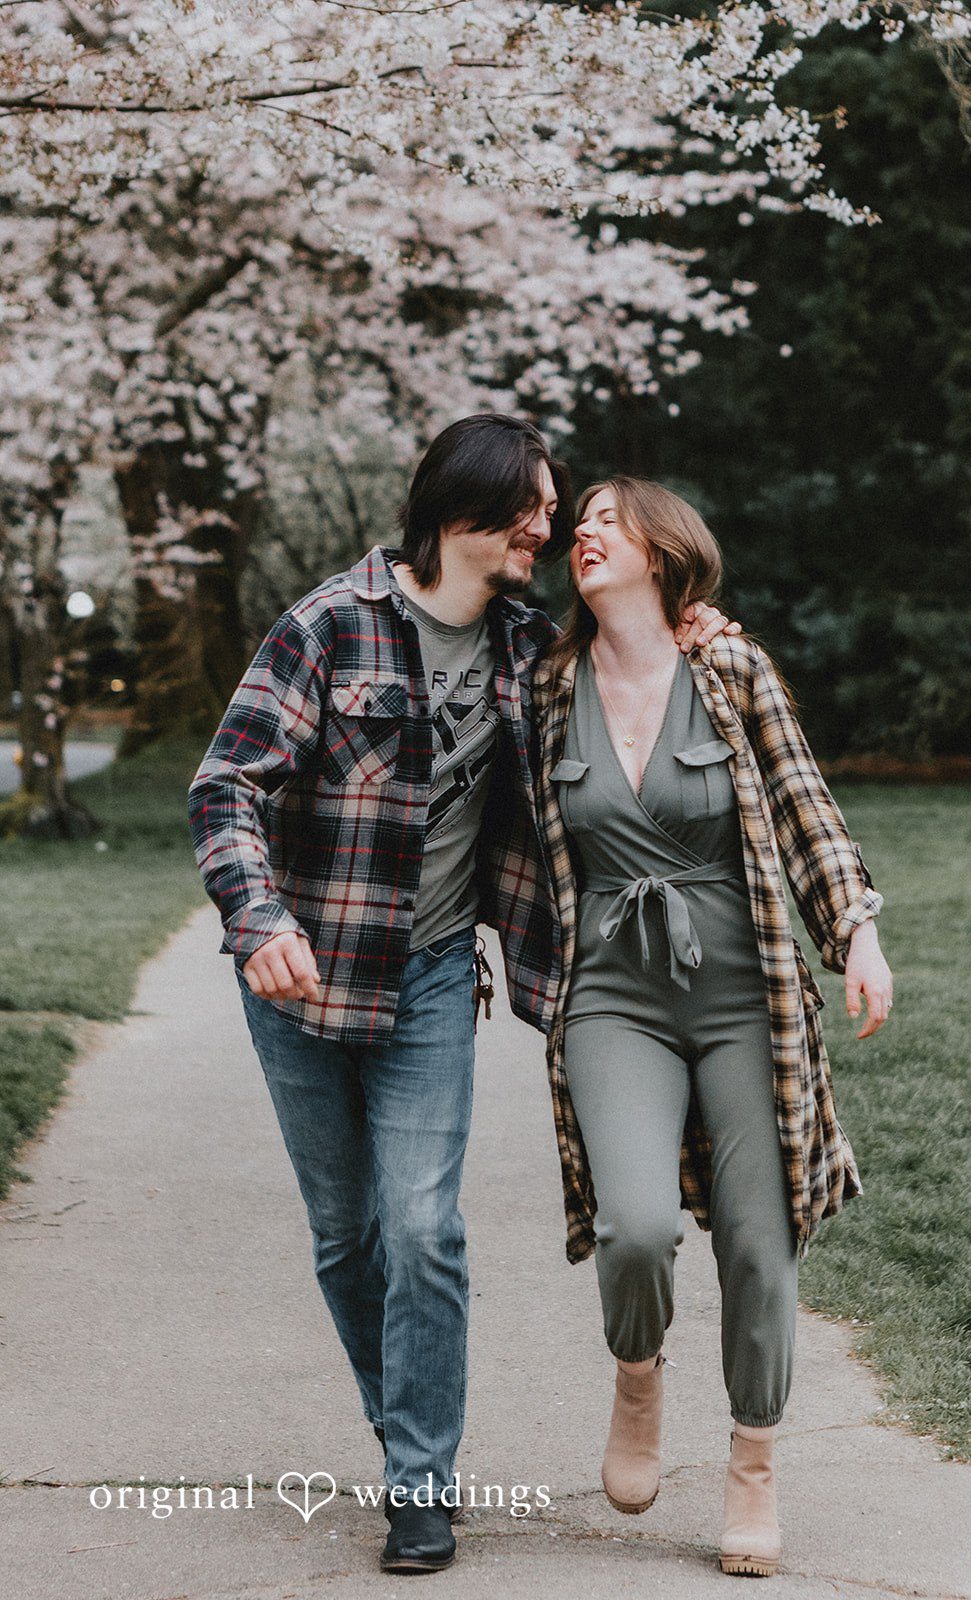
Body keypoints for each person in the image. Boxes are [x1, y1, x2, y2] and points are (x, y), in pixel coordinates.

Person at [187, 416, 735, 1575]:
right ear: (465, 511)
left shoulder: (528, 645)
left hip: (432, 977)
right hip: (300, 979)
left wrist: (691, 624)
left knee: (424, 1229)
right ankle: (407, 1436)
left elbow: (630, 657)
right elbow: (227, 783)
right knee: (348, 1239)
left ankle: (420, 1486)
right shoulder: (329, 626)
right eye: (535, 506)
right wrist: (259, 917)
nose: (549, 524)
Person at [531, 476, 893, 1579]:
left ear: (664, 548)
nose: (582, 531)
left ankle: (752, 1462)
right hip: (612, 993)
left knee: (756, 1236)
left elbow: (801, 802)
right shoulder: (545, 685)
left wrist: (857, 933)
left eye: (607, 517)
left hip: (742, 990)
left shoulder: (727, 665)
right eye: (576, 520)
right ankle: (636, 1375)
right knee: (633, 1225)